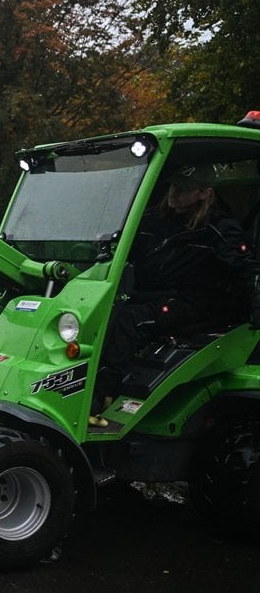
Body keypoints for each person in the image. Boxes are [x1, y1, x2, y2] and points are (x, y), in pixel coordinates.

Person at [94, 164, 260, 418]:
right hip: (154, 294)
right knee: (104, 310)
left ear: (204, 193)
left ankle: (104, 396)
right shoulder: (153, 219)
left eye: (183, 189)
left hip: (194, 301)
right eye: (173, 185)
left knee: (130, 321)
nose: (174, 193)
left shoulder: (220, 228)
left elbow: (248, 268)